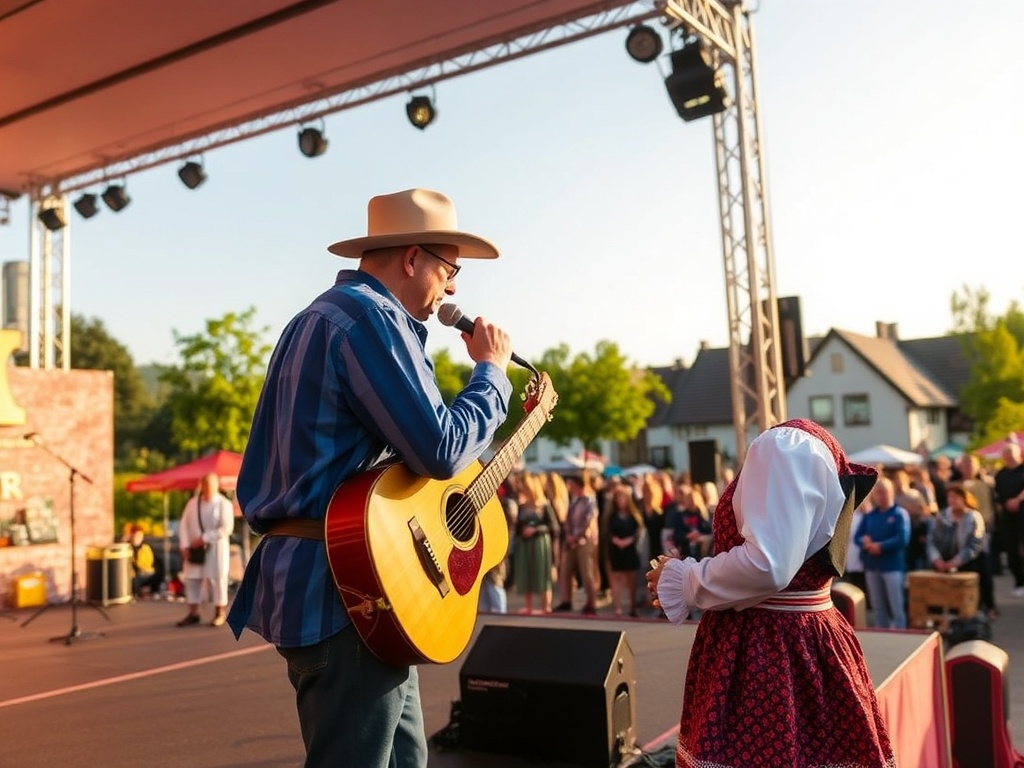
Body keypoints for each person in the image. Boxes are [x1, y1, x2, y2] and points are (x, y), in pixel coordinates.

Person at [225, 188, 513, 768]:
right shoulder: (373, 320)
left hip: (347, 590)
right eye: (449, 271)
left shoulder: (316, 318)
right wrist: (491, 375)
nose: (452, 290)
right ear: (412, 258)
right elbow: (440, 449)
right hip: (348, 595)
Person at [646, 419, 895, 768]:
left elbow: (768, 564)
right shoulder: (802, 444)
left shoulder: (782, 446)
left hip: (770, 645)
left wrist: (686, 578)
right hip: (799, 636)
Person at [927, 483, 998, 618]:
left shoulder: (974, 517)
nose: (952, 500)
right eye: (950, 497)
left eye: (956, 497)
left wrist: (957, 561)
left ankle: (988, 608)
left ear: (964, 498)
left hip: (971, 559)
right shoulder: (942, 517)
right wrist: (936, 559)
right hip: (946, 557)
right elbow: (932, 540)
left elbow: (974, 545)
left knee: (982, 577)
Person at [177, 472, 234, 627]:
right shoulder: (193, 503)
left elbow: (226, 528)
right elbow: (184, 524)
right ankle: (193, 613)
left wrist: (204, 538)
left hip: (215, 549)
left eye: (209, 485)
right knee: (192, 579)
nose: (206, 488)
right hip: (194, 550)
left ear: (216, 486)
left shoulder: (223, 504)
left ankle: (219, 613)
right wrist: (184, 545)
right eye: (204, 485)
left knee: (217, 580)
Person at [855, 476, 910, 629]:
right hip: (872, 565)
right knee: (878, 605)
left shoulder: (899, 514)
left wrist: (881, 546)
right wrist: (865, 542)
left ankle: (900, 633)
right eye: (877, 492)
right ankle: (881, 632)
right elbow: (857, 537)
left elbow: (902, 538)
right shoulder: (870, 515)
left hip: (892, 567)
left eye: (883, 492)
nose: (880, 496)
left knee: (896, 605)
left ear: (891, 492)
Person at [512, 472, 558, 614]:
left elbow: (553, 526)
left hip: (540, 544)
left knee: (542, 573)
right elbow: (517, 527)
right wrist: (522, 530)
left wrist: (536, 529)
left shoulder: (544, 506)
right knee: (526, 573)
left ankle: (546, 606)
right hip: (525, 544)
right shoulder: (522, 506)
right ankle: (529, 606)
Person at [553, 472, 599, 614]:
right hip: (571, 541)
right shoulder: (573, 500)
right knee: (566, 571)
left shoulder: (589, 501)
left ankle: (591, 603)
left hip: (584, 541)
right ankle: (566, 600)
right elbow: (567, 519)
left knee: (586, 572)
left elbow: (589, 521)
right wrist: (568, 535)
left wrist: (577, 536)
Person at [128, 524, 161, 597]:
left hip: (146, 571)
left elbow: (150, 562)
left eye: (140, 536)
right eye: (136, 535)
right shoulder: (127, 548)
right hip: (133, 573)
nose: (138, 538)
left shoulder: (146, 548)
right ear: (131, 535)